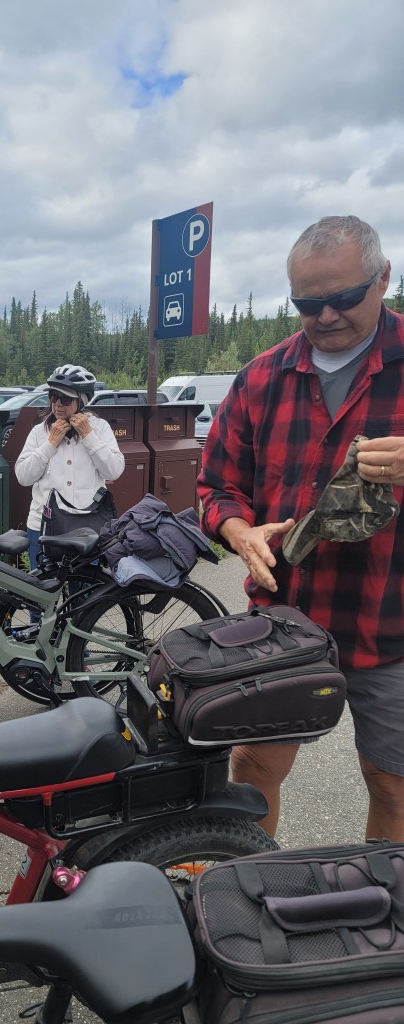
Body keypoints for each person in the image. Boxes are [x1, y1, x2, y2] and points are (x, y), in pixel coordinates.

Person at [197, 214, 404, 840]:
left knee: (392, 784)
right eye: (308, 304)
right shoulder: (262, 376)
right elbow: (217, 485)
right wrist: (239, 532)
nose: (326, 316)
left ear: (383, 279)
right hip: (282, 618)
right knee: (252, 769)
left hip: (391, 622)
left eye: (344, 297)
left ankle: (384, 898)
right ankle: (251, 888)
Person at [15, 364, 124, 571]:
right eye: (53, 396)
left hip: (86, 528)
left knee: (84, 588)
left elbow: (114, 470)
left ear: (81, 401)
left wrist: (89, 436)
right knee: (40, 588)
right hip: (43, 526)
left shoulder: (99, 428)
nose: (57, 404)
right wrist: (50, 444)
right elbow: (23, 476)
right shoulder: (40, 431)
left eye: (65, 399)